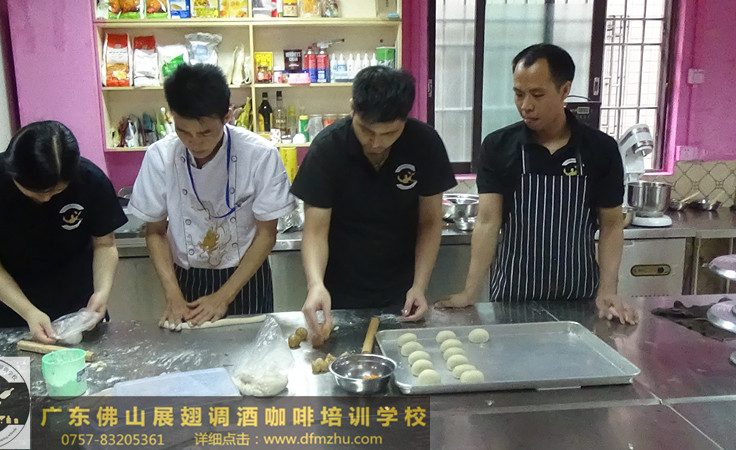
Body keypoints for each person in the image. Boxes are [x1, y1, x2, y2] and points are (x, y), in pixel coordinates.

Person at [437, 44, 637, 324]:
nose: (526, 105)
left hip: (579, 298)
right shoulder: (498, 146)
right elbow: (488, 221)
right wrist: (469, 291)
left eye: (537, 94)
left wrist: (608, 290)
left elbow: (612, 225)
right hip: (511, 298)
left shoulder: (600, 149)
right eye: (519, 94)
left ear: (565, 90)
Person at [291, 66, 457, 339]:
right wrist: (315, 285)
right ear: (352, 109)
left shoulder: (425, 144)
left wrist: (419, 286)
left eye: (389, 133)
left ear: (405, 119)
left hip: (402, 286)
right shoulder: (328, 149)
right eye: (366, 130)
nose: (376, 143)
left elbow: (429, 222)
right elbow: (316, 230)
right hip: (339, 288)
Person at [129, 64, 295, 327]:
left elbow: (266, 234)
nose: (194, 142)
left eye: (205, 132)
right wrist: (173, 295)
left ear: (227, 115)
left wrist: (223, 297)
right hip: (185, 280)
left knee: (251, 349)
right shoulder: (160, 156)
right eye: (183, 131)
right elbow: (155, 232)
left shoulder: (260, 155)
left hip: (246, 277)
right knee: (189, 350)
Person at [0, 120, 127, 343]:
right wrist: (29, 312)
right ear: (12, 172)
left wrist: (101, 293)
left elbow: (105, 245)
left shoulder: (91, 180)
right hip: (12, 313)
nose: (46, 199)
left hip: (81, 312)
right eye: (36, 192)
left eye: (56, 191)